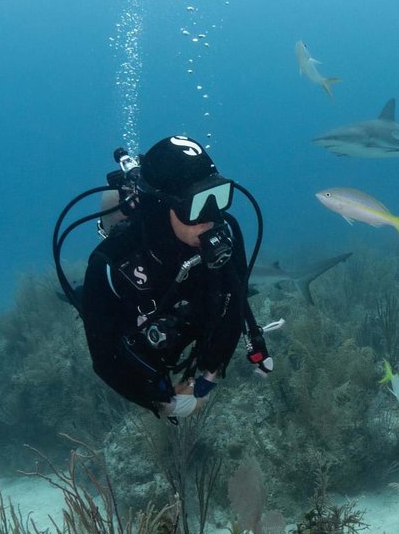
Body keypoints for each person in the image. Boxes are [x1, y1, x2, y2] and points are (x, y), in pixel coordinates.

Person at [80, 134, 270, 418]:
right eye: (197, 203)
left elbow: (233, 310)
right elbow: (106, 360)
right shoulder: (108, 265)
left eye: (216, 196)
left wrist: (205, 382)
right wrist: (163, 401)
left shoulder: (220, 234)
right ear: (161, 204)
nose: (210, 217)